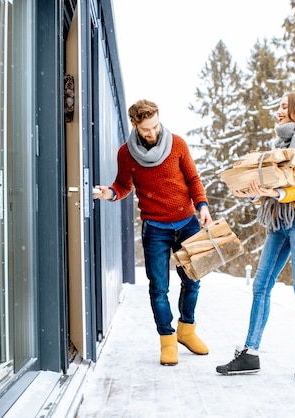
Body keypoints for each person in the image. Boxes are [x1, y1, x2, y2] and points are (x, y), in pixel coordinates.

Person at [216, 91, 295, 380]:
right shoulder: (281, 144)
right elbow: (269, 185)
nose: (278, 111)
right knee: (260, 285)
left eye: (283, 107)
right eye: (277, 106)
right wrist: (254, 193)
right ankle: (250, 354)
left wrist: (273, 192)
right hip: (280, 220)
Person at [93, 99, 213, 366]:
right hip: (155, 228)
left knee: (193, 281)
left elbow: (193, 179)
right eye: (146, 129)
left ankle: (187, 330)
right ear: (135, 125)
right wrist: (109, 193)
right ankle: (167, 339)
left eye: (155, 126)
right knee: (159, 288)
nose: (152, 133)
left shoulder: (178, 144)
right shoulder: (126, 154)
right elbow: (123, 185)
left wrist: (202, 206)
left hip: (187, 223)